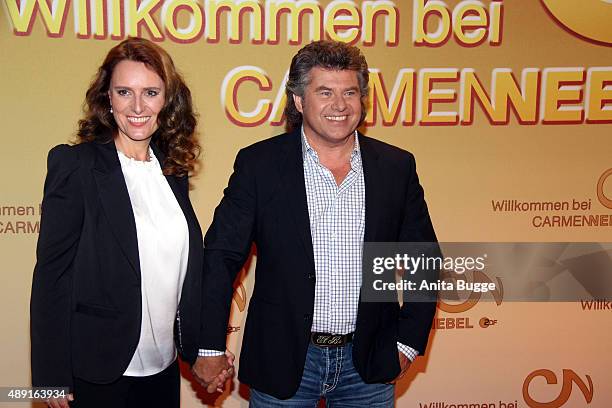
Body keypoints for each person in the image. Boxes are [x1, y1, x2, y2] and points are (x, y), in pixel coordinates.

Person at [193, 40, 438, 406]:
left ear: (362, 100)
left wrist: (408, 342)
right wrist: (210, 345)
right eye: (325, 92)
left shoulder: (395, 167)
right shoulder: (259, 166)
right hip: (285, 360)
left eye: (350, 93)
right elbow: (221, 257)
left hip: (368, 363)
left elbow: (423, 258)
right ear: (298, 101)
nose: (339, 105)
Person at [30, 37, 231, 408]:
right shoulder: (76, 166)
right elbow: (51, 275)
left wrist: (203, 348)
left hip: (163, 368)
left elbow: (180, 270)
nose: (137, 106)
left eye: (151, 92)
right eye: (124, 92)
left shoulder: (172, 171)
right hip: (97, 368)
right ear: (108, 97)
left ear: (167, 99)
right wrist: (49, 377)